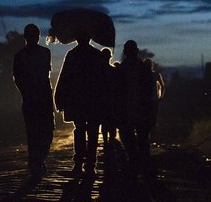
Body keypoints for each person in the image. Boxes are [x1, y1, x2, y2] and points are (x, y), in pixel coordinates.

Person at [54, 31, 111, 177]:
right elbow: (105, 81)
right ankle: (89, 165)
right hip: (93, 101)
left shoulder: (72, 55)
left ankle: (80, 164)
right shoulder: (96, 55)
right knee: (91, 132)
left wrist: (59, 98)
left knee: (80, 131)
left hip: (79, 101)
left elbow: (64, 77)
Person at [12, 24, 55, 178]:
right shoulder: (21, 56)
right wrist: (27, 92)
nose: (34, 38)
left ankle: (38, 160)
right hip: (33, 99)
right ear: (27, 37)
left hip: (41, 98)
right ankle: (36, 161)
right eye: (32, 35)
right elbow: (17, 78)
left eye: (35, 35)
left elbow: (45, 76)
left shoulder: (45, 53)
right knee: (35, 132)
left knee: (46, 130)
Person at [115, 40, 157, 178]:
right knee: (133, 139)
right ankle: (138, 164)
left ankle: (141, 166)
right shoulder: (126, 69)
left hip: (139, 109)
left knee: (141, 140)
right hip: (129, 109)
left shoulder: (128, 69)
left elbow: (151, 91)